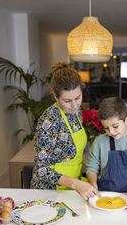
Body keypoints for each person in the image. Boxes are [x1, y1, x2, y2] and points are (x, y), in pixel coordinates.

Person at [31, 62, 99, 200]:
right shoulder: (49, 121)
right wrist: (75, 184)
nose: (74, 105)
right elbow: (40, 169)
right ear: (55, 96)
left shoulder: (76, 112)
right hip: (50, 191)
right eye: (67, 100)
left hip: (73, 187)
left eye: (78, 98)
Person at [86, 97, 127, 209]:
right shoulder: (99, 142)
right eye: (106, 128)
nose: (111, 132)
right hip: (103, 196)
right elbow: (91, 167)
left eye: (115, 126)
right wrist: (93, 185)